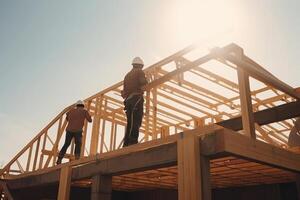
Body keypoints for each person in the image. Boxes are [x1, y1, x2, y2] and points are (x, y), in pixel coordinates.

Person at [121, 57, 148, 147]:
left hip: (128, 101)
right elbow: (144, 83)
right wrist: (147, 81)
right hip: (136, 98)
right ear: (141, 65)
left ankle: (126, 143)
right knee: (136, 120)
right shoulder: (139, 71)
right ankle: (132, 142)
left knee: (130, 122)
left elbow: (124, 91)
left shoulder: (127, 75)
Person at [56, 100, 92, 164]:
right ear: (83, 105)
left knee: (66, 144)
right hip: (78, 131)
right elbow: (90, 120)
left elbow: (67, 119)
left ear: (77, 105)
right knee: (78, 144)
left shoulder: (71, 111)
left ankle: (59, 159)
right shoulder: (84, 111)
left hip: (69, 130)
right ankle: (77, 159)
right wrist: (88, 115)